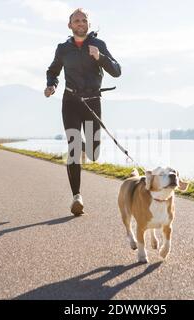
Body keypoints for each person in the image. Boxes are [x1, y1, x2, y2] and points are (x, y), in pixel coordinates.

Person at [44, 8, 121, 216]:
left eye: (83, 20)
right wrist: (51, 85)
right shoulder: (63, 49)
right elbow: (53, 71)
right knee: (74, 146)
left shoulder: (98, 45)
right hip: (70, 101)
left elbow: (117, 71)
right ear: (70, 25)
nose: (80, 23)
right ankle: (76, 196)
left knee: (94, 152)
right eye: (76, 20)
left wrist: (101, 57)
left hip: (93, 101)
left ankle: (87, 148)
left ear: (88, 24)